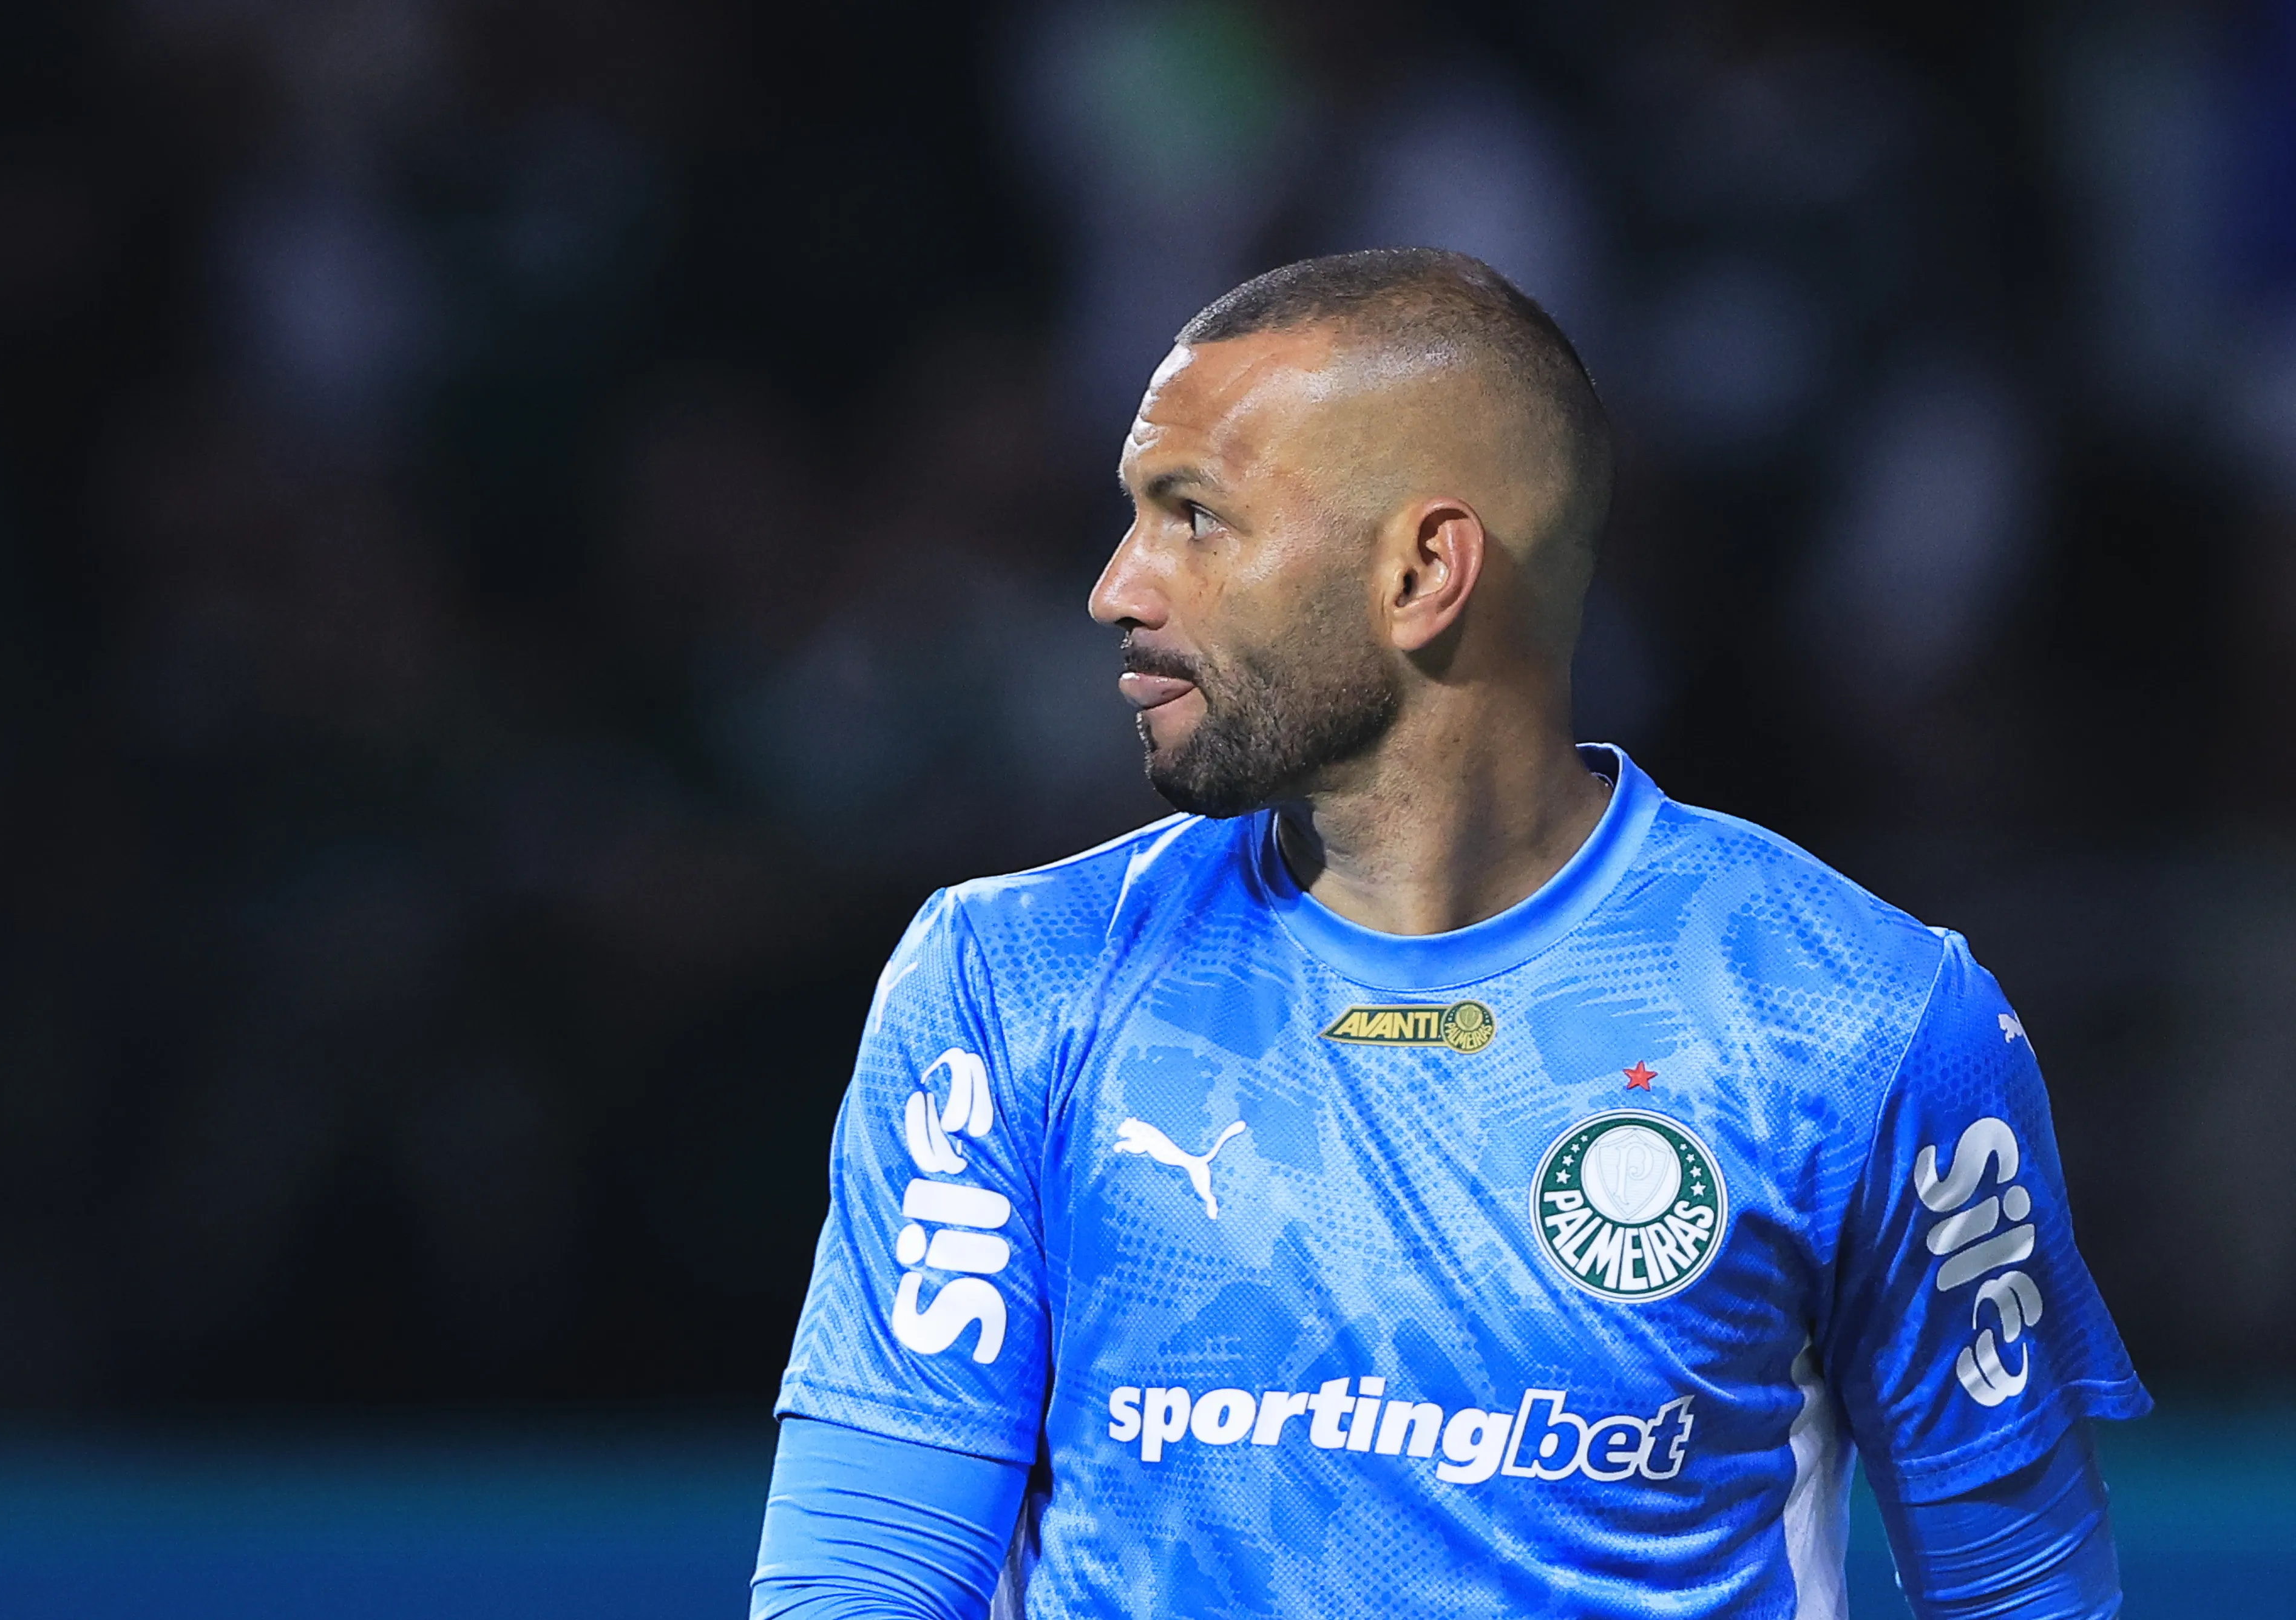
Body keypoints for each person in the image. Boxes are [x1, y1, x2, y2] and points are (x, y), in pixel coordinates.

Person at [751, 249, 2145, 1619]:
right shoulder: (1009, 987)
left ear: (1424, 568)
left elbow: (2023, 1593)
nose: (1119, 585)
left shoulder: (1862, 1019)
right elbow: (858, 1581)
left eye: (1193, 516)